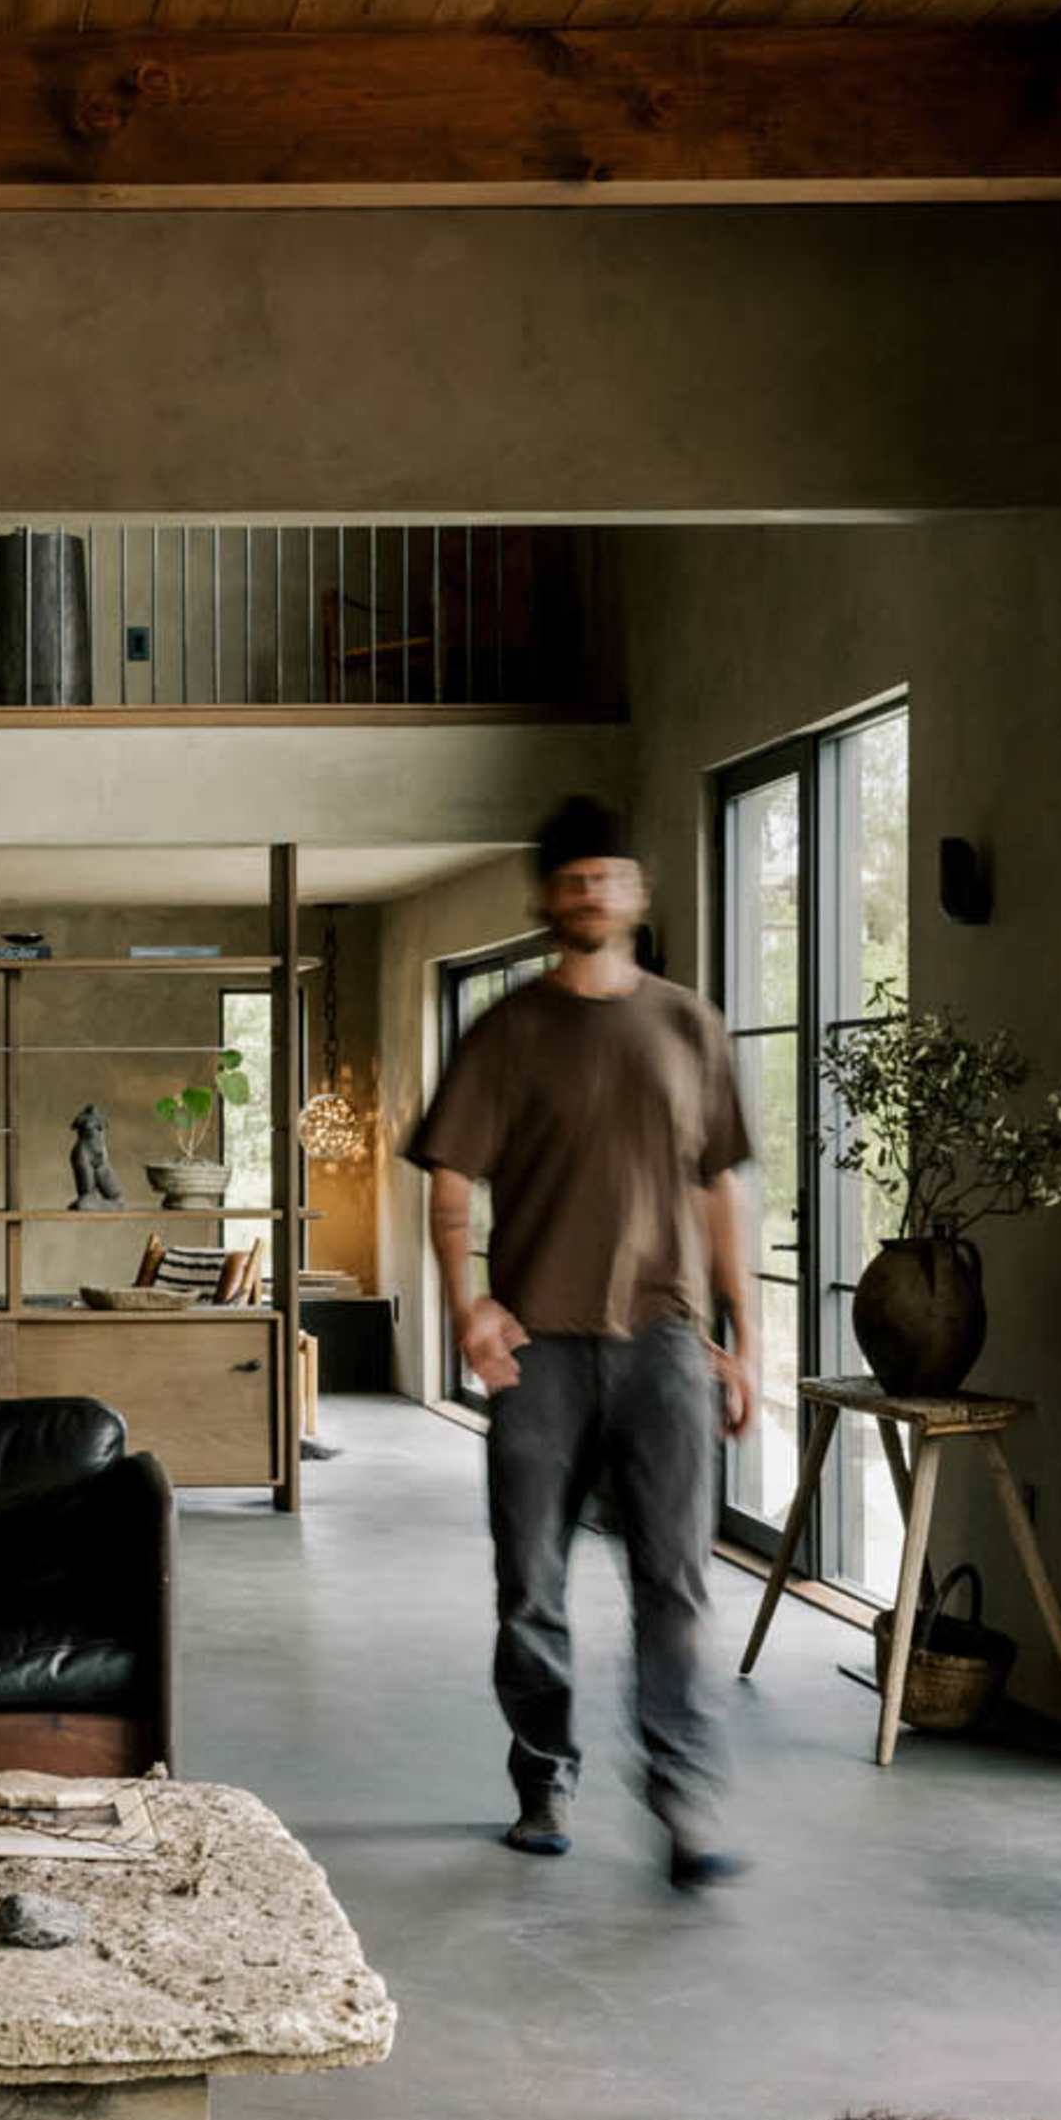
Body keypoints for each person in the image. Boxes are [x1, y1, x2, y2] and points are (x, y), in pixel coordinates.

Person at [408, 796, 757, 1888]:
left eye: (608, 875)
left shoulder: (689, 1024)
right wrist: (469, 1305)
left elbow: (719, 1189)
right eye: (572, 878)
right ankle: (543, 1776)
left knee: (677, 1579)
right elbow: (452, 1178)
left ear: (637, 892)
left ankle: (686, 1799)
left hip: (664, 1341)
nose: (591, 893)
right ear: (549, 898)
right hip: (539, 1349)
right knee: (533, 1582)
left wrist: (748, 1340)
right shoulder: (508, 1030)